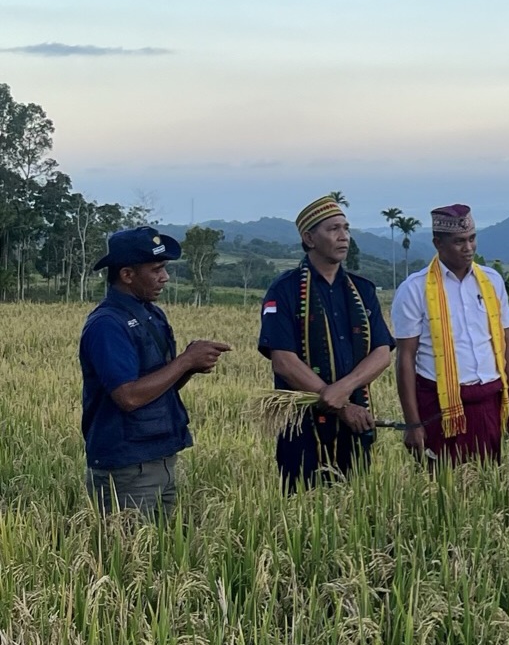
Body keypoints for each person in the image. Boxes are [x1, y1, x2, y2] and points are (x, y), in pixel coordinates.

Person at [80, 227, 231, 517]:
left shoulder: (151, 314)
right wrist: (185, 361)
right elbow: (128, 397)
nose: (165, 277)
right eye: (157, 269)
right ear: (127, 275)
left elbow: (159, 386)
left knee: (160, 556)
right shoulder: (107, 324)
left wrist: (190, 366)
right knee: (125, 557)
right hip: (128, 467)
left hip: (160, 457)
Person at [259, 195, 394, 492]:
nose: (344, 236)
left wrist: (343, 394)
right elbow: (283, 360)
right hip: (301, 424)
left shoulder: (362, 289)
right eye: (333, 229)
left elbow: (382, 352)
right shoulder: (285, 290)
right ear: (309, 238)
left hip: (356, 419)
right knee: (302, 511)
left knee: (353, 508)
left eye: (346, 228)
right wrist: (334, 401)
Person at [392, 204, 509, 466]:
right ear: (438, 243)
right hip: (440, 407)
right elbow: (406, 358)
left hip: (489, 401)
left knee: (490, 483)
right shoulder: (414, 289)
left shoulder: (492, 281)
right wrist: (412, 423)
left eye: (472, 239)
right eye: (459, 242)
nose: (469, 248)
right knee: (443, 490)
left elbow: (505, 345)